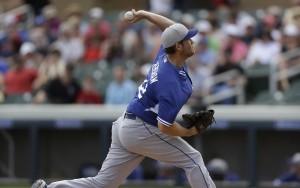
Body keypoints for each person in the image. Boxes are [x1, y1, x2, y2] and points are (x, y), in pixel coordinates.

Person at [32, 9, 216, 188]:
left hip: (126, 125)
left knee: (103, 184)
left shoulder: (165, 55)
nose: (192, 41)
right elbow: (164, 126)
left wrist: (144, 14)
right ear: (178, 46)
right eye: (188, 40)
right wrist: (188, 132)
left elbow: (173, 29)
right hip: (142, 129)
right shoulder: (170, 83)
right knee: (194, 160)